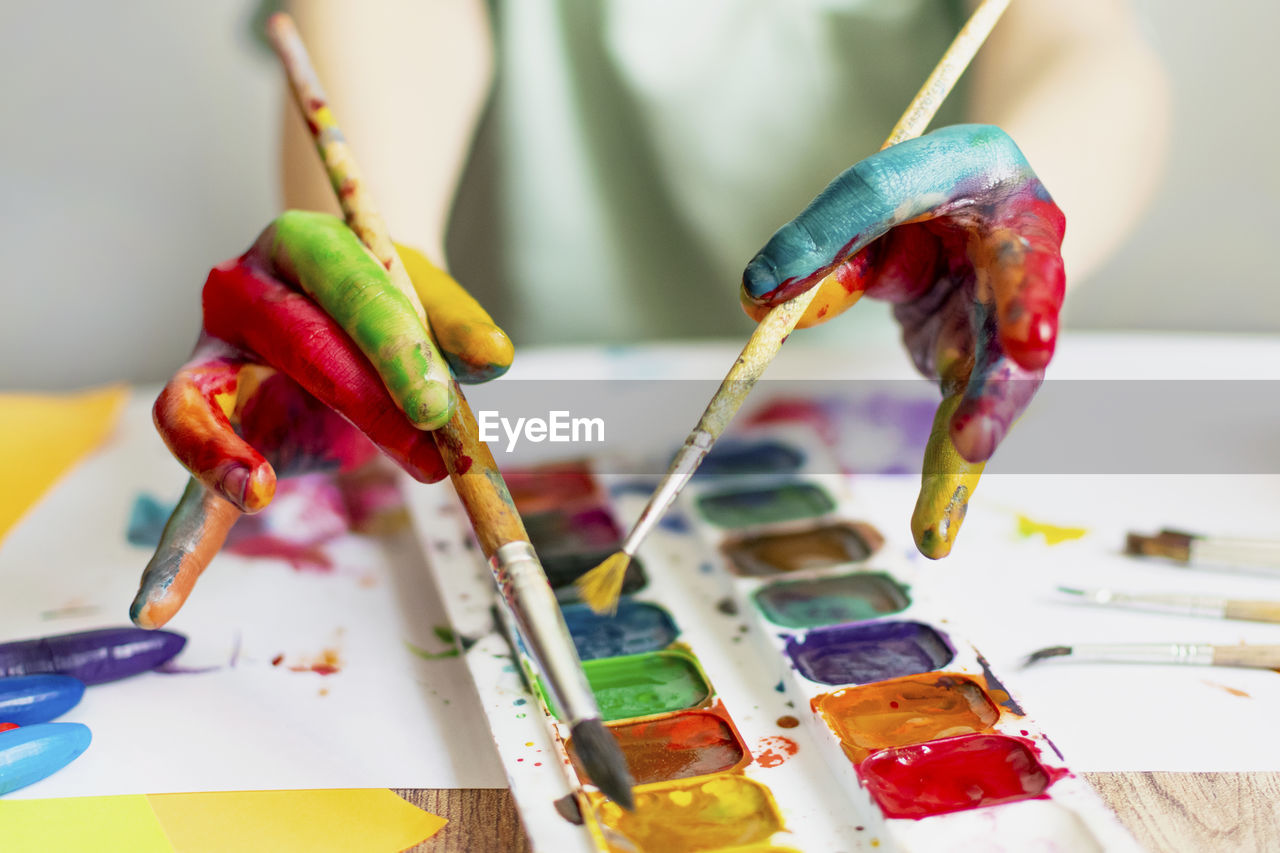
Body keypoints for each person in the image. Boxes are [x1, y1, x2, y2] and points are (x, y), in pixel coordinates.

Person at [133, 0, 1169, 622]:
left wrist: (1027, 191)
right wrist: (373, 268)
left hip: (878, 394)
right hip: (541, 415)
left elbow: (1075, 39)